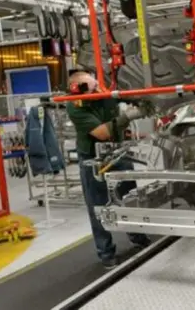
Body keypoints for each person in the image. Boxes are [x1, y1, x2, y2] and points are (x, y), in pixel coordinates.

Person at [66, 70, 154, 269]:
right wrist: (129, 116)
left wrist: (141, 99)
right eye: (93, 87)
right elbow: (102, 133)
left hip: (118, 153)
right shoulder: (75, 106)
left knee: (130, 197)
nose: (99, 89)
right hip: (93, 159)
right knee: (98, 207)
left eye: (97, 84)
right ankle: (106, 253)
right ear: (77, 89)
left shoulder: (103, 93)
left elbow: (125, 95)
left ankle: (138, 237)